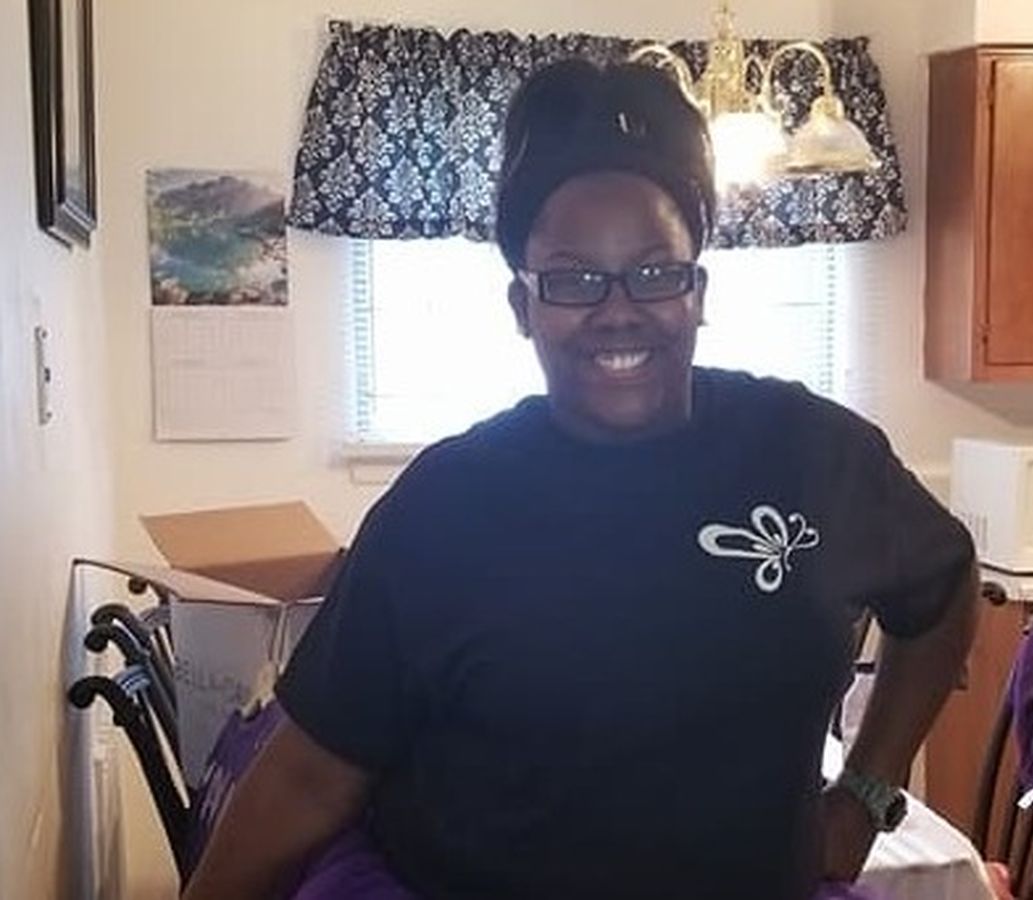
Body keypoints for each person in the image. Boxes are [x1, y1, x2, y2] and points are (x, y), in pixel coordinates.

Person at [183, 58, 978, 900]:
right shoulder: (445, 507)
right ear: (522, 307)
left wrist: (866, 792)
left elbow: (943, 585)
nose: (619, 309)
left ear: (698, 291)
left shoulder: (812, 452)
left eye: (656, 272)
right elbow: (311, 775)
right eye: (572, 280)